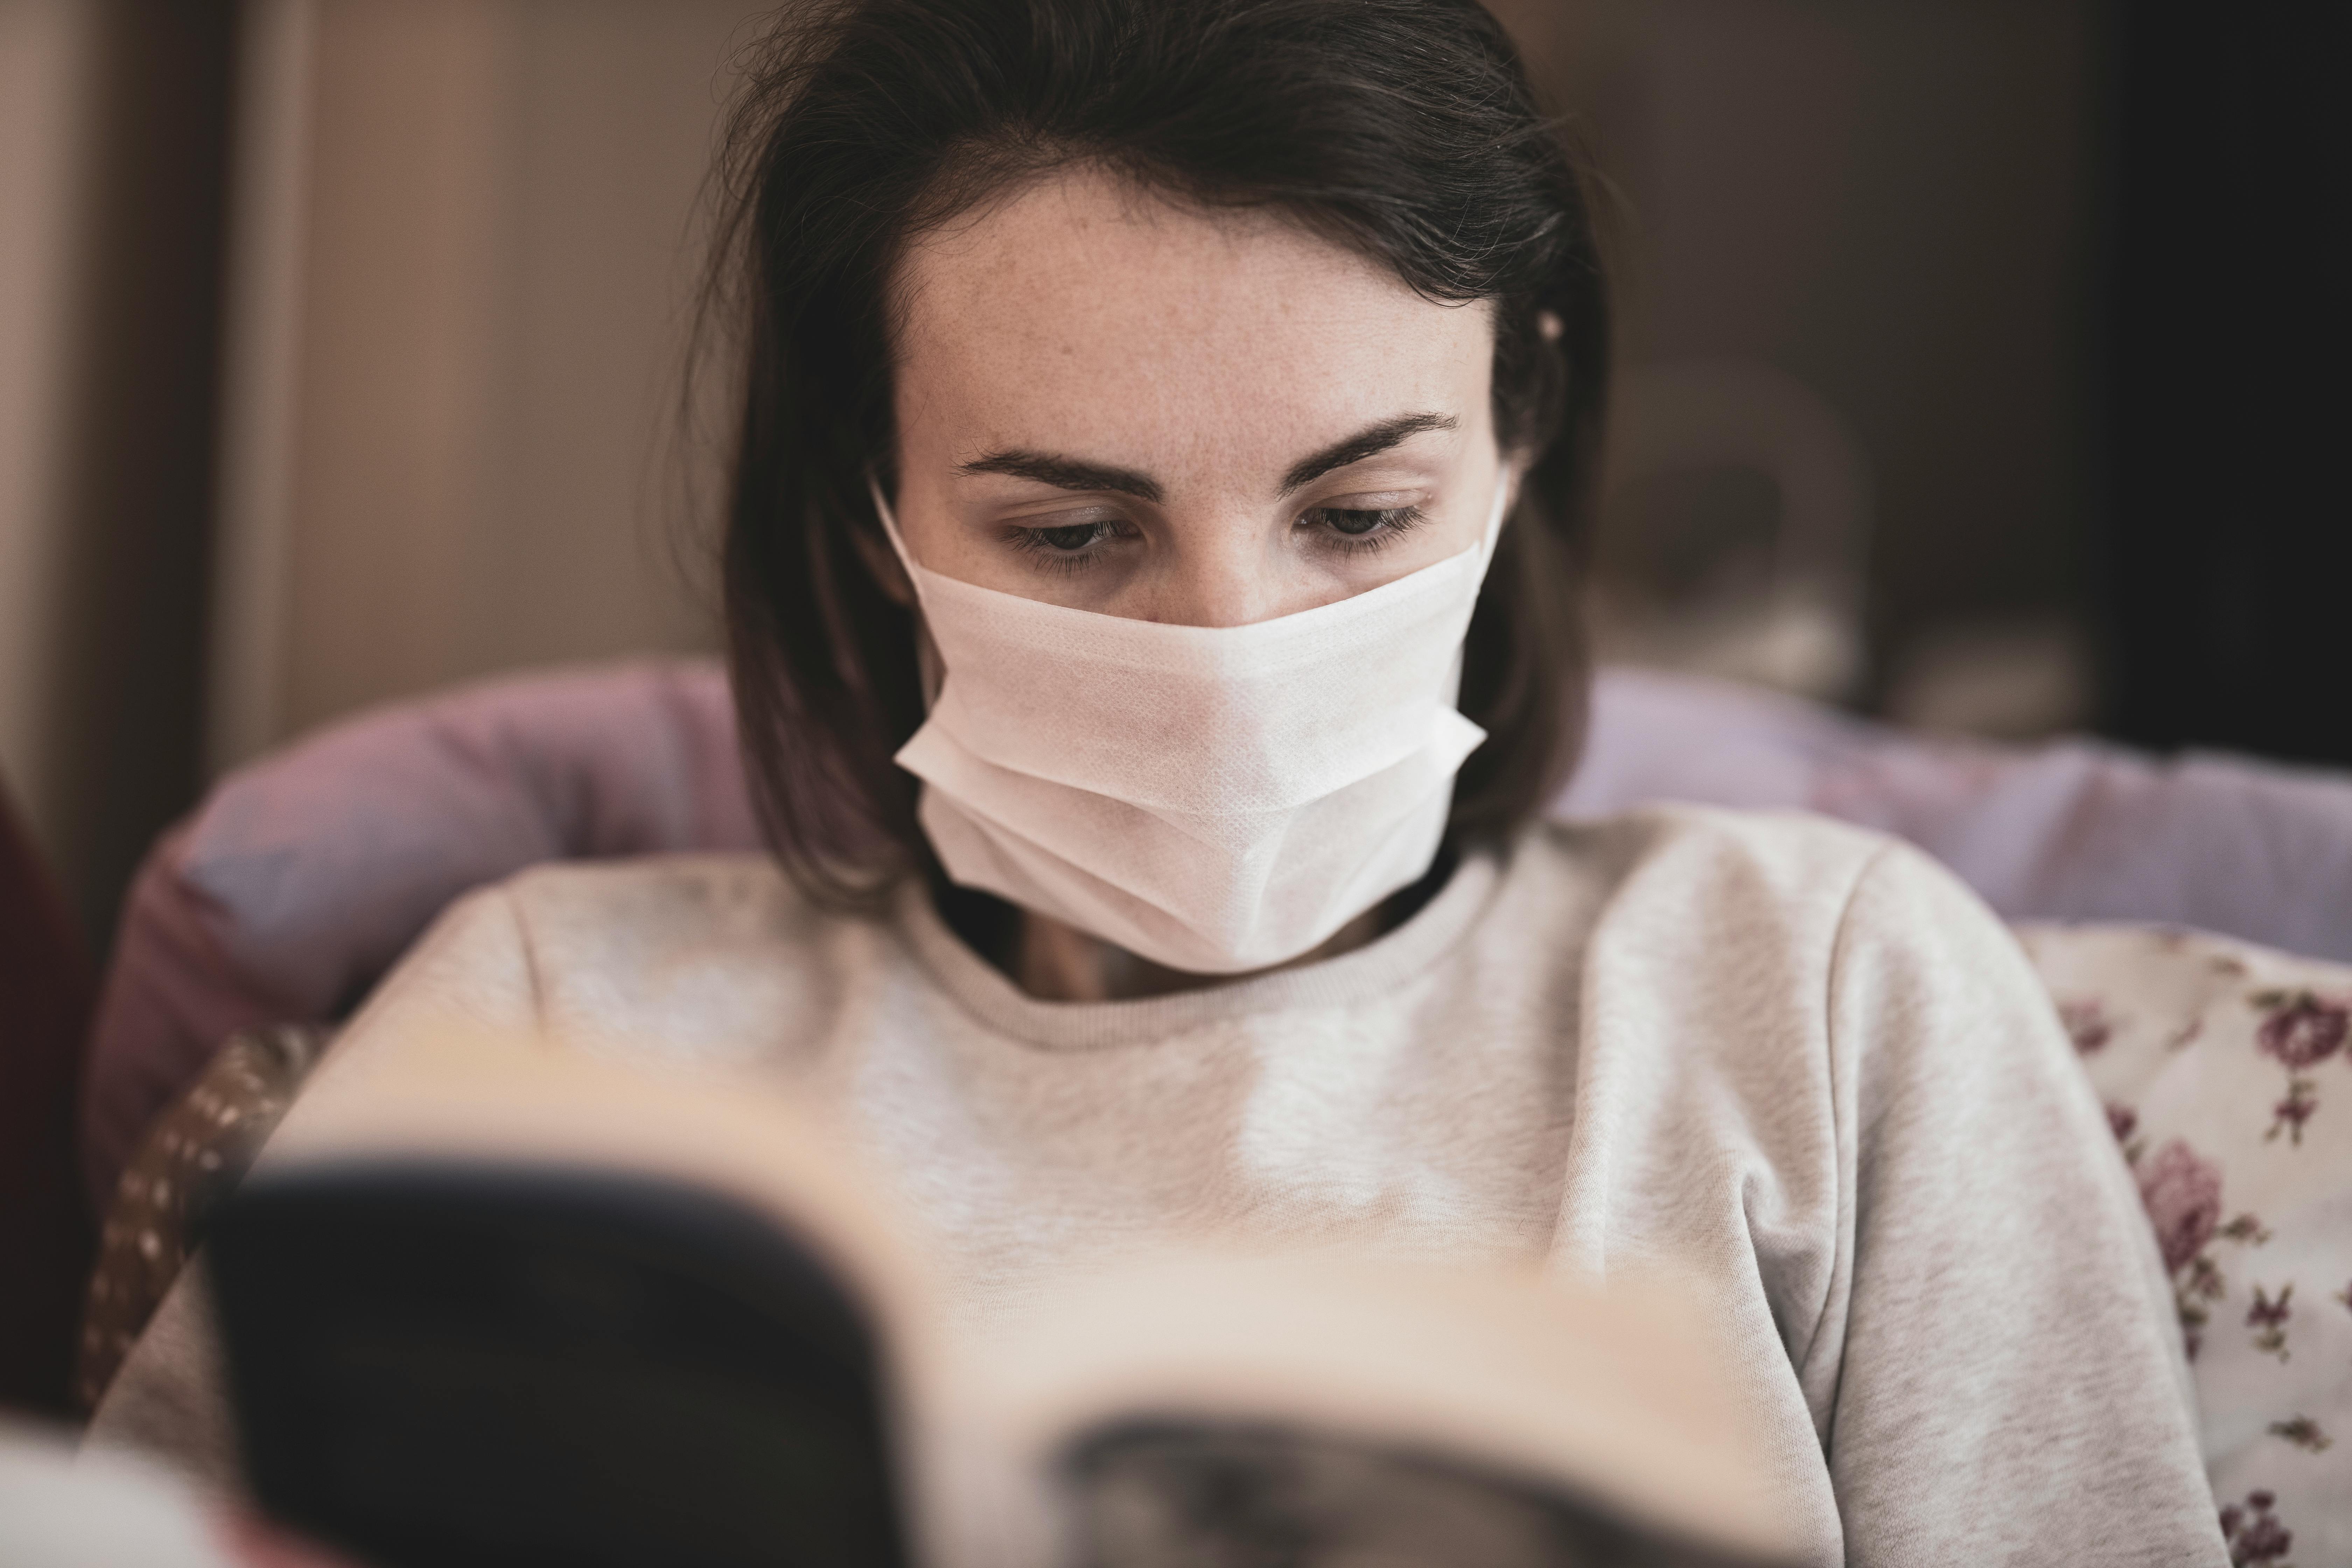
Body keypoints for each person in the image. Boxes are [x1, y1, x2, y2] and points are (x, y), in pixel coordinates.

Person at [93, 0, 2222, 1560]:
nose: (1230, 652)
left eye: (1358, 515)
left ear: (1521, 422)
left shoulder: (1826, 992)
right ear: (872, 506)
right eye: (1072, 531)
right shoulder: (550, 1020)